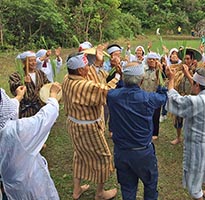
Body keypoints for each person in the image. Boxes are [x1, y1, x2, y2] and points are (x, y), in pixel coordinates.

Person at [62, 52, 120, 200]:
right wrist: (117, 77)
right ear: (80, 70)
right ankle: (100, 193)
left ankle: (76, 190)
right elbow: (106, 92)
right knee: (104, 157)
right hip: (87, 128)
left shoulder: (67, 79)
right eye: (87, 66)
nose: (89, 68)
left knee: (79, 155)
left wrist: (98, 63)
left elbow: (92, 78)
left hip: (73, 124)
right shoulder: (84, 85)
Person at [107, 62, 167, 200]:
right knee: (150, 185)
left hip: (122, 152)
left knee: (127, 188)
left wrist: (121, 78)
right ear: (141, 80)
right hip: (143, 152)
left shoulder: (113, 96)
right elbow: (163, 97)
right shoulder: (149, 98)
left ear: (124, 77)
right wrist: (164, 79)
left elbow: (118, 89)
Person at [166, 66, 205, 200]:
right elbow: (199, 89)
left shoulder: (196, 101)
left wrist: (171, 80)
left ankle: (201, 197)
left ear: (197, 84)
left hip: (198, 149)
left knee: (194, 186)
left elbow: (175, 100)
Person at [0, 83, 61, 200]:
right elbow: (44, 119)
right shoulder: (13, 131)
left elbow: (7, 109)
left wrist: (19, 96)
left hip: (8, 183)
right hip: (28, 183)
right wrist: (53, 95)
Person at [170, 48, 201, 145]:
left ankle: (190, 139)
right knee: (178, 119)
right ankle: (178, 137)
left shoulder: (197, 72)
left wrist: (187, 73)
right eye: (184, 59)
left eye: (188, 59)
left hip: (192, 100)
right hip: (181, 97)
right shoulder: (179, 70)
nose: (186, 61)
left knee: (191, 121)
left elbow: (196, 85)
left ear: (192, 60)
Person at [9, 51, 50, 118]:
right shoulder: (16, 75)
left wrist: (53, 85)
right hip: (25, 110)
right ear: (24, 62)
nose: (34, 63)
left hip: (39, 108)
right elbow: (13, 89)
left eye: (35, 60)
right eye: (31, 61)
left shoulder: (40, 73)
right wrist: (22, 82)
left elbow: (47, 85)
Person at [141, 52, 163, 140]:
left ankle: (155, 133)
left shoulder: (159, 72)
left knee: (155, 116)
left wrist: (159, 70)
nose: (151, 61)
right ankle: (145, 130)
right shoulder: (143, 70)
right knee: (144, 114)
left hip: (154, 96)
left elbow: (161, 82)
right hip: (144, 95)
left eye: (153, 59)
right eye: (149, 59)